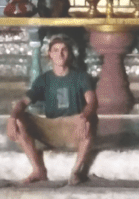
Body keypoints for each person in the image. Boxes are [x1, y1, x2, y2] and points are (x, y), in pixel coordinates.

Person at [7, 35, 97, 185]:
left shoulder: (81, 77)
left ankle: (76, 171)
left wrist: (84, 117)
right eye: (55, 50)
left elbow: (92, 101)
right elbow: (23, 102)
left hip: (73, 128)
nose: (60, 54)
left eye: (64, 50)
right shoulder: (44, 79)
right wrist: (12, 118)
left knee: (90, 121)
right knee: (19, 120)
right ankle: (38, 170)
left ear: (69, 53)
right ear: (49, 54)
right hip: (51, 129)